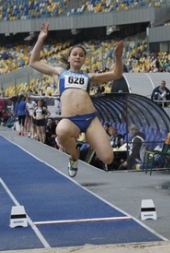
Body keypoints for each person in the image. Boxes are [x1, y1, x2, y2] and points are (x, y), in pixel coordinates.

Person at [29, 22, 124, 177]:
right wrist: (41, 38)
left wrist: (118, 57)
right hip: (71, 120)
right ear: (69, 57)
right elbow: (33, 62)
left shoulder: (88, 76)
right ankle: (74, 156)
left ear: (84, 59)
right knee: (61, 130)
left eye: (81, 55)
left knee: (108, 158)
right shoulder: (59, 73)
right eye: (75, 54)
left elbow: (116, 74)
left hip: (90, 119)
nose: (78, 56)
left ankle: (89, 137)